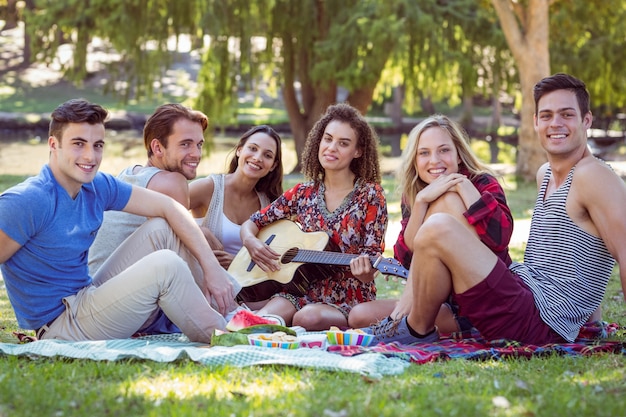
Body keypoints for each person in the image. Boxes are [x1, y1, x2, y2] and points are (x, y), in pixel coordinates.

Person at [367, 73, 626, 346]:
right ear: (536, 122)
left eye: (567, 115)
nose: (556, 124)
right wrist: (590, 321)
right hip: (523, 292)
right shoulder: (546, 174)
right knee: (436, 228)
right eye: (547, 115)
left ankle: (415, 329)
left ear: (587, 120)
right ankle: (409, 323)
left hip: (539, 321)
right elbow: (580, 257)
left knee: (438, 227)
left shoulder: (594, 175)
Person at [0, 99, 237, 343]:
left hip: (86, 298)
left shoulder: (95, 185)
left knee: (162, 227)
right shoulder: (27, 200)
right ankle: (228, 337)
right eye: (78, 144)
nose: (90, 156)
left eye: (98, 145)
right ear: (54, 145)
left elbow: (169, 207)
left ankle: (235, 310)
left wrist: (212, 270)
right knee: (166, 265)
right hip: (62, 326)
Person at [348, 114, 513, 333]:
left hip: (484, 293)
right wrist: (421, 202)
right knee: (359, 316)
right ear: (415, 161)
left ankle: (400, 320)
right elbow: (406, 259)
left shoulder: (481, 183)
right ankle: (414, 322)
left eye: (444, 150)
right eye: (424, 153)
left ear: (459, 155)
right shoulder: (415, 194)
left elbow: (500, 238)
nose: (434, 160)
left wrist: (461, 186)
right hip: (444, 303)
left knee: (449, 200)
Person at [239, 102, 388, 331]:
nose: (331, 148)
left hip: (348, 297)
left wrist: (366, 272)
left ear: (357, 151)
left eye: (343, 143)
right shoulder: (302, 193)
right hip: (299, 289)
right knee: (256, 323)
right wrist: (251, 243)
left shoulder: (370, 195)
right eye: (327, 139)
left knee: (307, 318)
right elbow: (253, 223)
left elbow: (371, 259)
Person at [88, 103, 209, 274]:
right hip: (118, 291)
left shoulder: (129, 173)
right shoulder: (172, 182)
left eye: (199, 144)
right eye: (185, 144)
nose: (196, 154)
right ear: (158, 147)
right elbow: (185, 256)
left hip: (98, 282)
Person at [189, 125, 283, 270]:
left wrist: (239, 262)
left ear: (273, 166)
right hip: (203, 282)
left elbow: (276, 259)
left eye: (268, 155)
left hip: (247, 289)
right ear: (239, 150)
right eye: (252, 148)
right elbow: (163, 210)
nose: (257, 158)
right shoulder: (210, 188)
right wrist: (198, 230)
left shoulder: (269, 203)